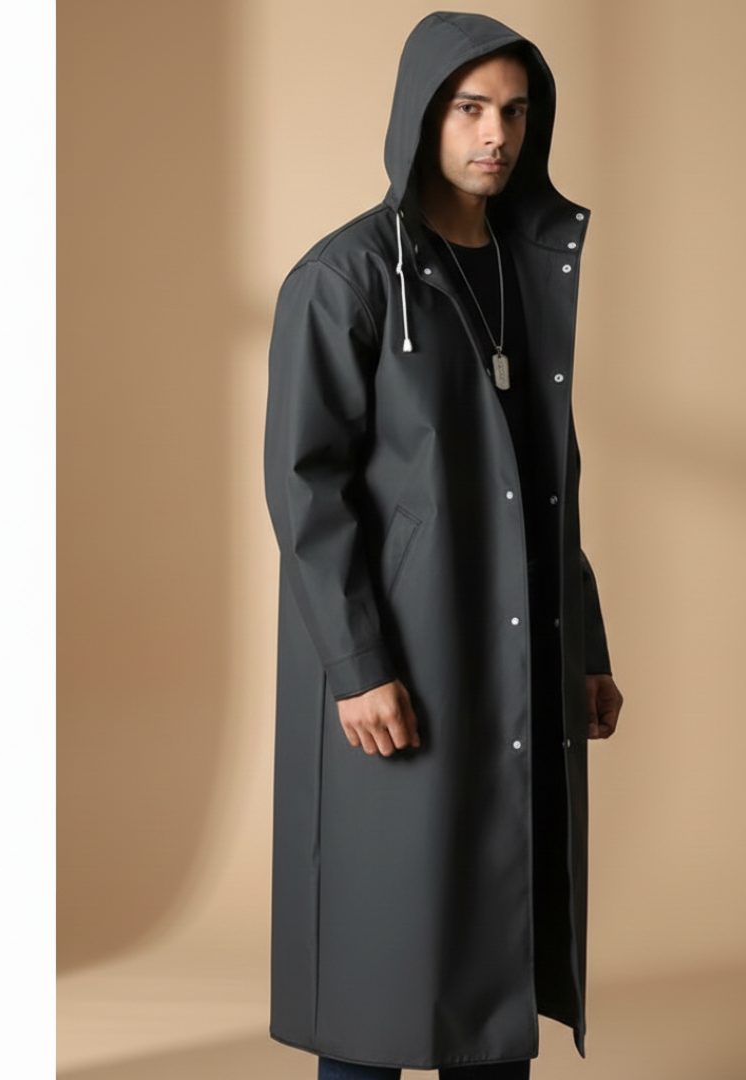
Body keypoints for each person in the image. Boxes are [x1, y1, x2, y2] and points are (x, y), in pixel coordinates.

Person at [263, 12, 623, 1078]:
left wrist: (584, 647)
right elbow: (306, 485)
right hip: (400, 657)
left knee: (495, 936)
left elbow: (546, 482)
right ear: (423, 117)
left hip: (512, 649)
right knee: (376, 957)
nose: (495, 134)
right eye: (470, 109)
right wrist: (357, 663)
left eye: (514, 111)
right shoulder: (344, 277)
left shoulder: (524, 268)